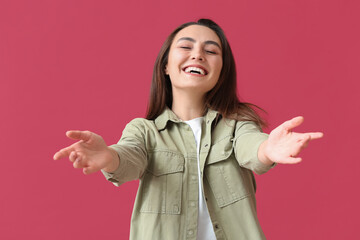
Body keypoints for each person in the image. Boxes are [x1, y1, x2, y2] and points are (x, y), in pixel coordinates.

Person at [53, 19, 323, 240]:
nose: (198, 55)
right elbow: (129, 156)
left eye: (211, 50)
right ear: (166, 66)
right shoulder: (144, 131)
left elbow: (251, 146)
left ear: (221, 71)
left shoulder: (237, 123)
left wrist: (267, 149)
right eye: (186, 46)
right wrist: (109, 157)